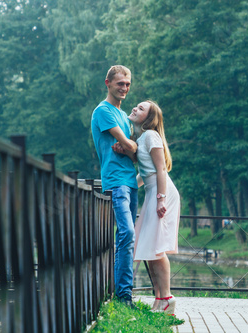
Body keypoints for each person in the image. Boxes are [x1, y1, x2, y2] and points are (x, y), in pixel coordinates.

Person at [114, 100, 180, 314]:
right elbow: (145, 172)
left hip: (162, 193)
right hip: (153, 193)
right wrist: (131, 183)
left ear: (149, 119)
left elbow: (161, 170)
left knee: (157, 248)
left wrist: (161, 198)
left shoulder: (151, 135)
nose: (135, 108)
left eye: (141, 109)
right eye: (137, 106)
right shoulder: (142, 139)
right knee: (150, 248)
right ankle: (160, 299)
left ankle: (167, 297)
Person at [91, 65, 138, 306]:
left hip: (132, 182)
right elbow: (127, 146)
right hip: (116, 182)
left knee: (127, 237)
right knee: (126, 233)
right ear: (107, 83)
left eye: (128, 84)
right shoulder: (103, 111)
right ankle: (123, 295)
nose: (125, 88)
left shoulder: (125, 117)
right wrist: (131, 147)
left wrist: (132, 148)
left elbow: (133, 151)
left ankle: (123, 292)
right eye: (120, 83)